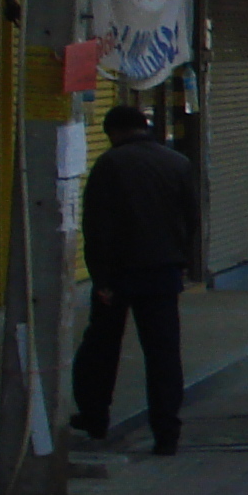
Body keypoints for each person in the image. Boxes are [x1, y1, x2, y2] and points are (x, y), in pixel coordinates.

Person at [71, 102, 199, 456]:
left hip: (120, 272)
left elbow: (97, 227)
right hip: (163, 270)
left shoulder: (109, 165)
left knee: (100, 348)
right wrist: (182, 261)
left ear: (114, 132)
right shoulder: (178, 163)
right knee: (163, 354)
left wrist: (102, 279)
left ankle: (95, 417)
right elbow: (192, 217)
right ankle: (167, 432)